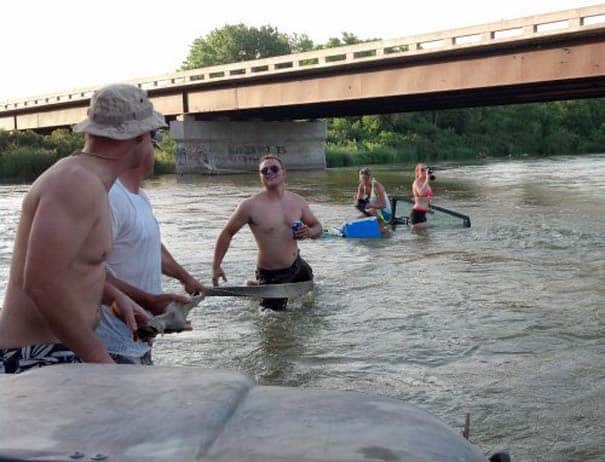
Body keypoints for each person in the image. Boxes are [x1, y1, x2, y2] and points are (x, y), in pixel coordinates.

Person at [0, 83, 166, 373]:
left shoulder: (87, 180)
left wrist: (122, 297)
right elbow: (40, 283)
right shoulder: (77, 183)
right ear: (140, 136)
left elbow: (65, 270)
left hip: (58, 351)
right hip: (39, 356)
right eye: (153, 136)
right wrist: (100, 360)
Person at [95, 132, 207, 365]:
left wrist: (185, 278)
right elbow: (87, 271)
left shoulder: (140, 196)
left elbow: (152, 246)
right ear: (139, 145)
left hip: (139, 340)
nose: (154, 154)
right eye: (153, 145)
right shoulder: (112, 196)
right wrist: (149, 301)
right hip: (111, 346)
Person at [212, 155, 322, 311]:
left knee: (312, 299)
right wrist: (216, 266)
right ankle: (256, 286)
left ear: (284, 173)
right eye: (264, 171)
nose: (269, 172)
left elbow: (318, 227)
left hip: (298, 265)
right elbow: (227, 233)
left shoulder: (297, 201)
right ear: (260, 177)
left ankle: (253, 286)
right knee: (272, 319)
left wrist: (309, 232)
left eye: (274, 168)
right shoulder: (250, 206)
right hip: (271, 274)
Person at [410, 163, 433, 228]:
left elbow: (428, 197)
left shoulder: (426, 183)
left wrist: (429, 206)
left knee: (424, 237)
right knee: (423, 236)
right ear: (417, 172)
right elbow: (421, 193)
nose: (425, 171)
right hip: (417, 213)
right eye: (422, 170)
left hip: (423, 213)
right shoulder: (416, 182)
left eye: (426, 169)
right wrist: (427, 180)